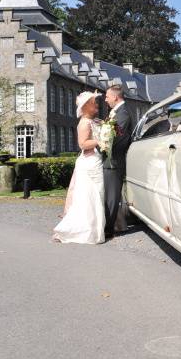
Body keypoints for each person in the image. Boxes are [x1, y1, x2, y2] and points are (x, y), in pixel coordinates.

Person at [52, 92, 106, 244]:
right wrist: (100, 140)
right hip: (89, 162)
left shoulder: (94, 121)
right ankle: (83, 230)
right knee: (88, 196)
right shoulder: (84, 123)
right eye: (94, 102)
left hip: (95, 161)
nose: (97, 105)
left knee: (96, 195)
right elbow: (83, 144)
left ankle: (96, 227)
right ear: (86, 106)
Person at [103, 85, 133, 237]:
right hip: (109, 160)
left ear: (115, 97)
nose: (105, 99)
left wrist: (101, 146)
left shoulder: (123, 114)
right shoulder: (116, 112)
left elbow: (117, 139)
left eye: (107, 96)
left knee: (112, 197)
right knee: (108, 195)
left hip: (114, 161)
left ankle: (108, 229)